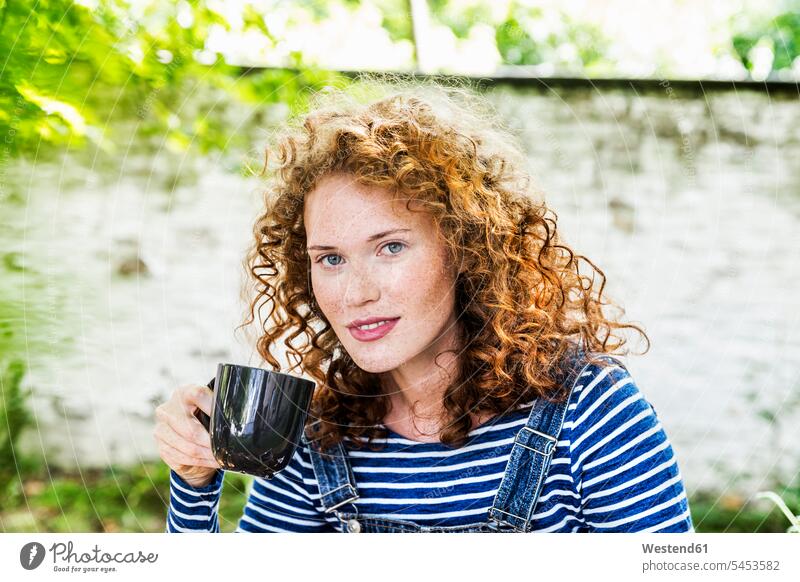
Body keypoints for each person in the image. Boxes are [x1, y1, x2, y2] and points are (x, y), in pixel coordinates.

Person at [154, 79, 693, 533]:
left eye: (390, 247)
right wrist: (194, 481)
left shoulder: (587, 411)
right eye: (331, 259)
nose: (354, 293)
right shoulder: (317, 437)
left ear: (465, 248)